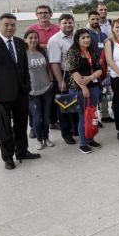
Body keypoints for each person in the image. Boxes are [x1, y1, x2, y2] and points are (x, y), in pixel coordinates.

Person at [0, 14, 40, 169]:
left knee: (21, 124)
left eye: (13, 25)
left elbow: (24, 67)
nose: (10, 28)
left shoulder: (21, 43)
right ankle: (8, 157)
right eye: (6, 24)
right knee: (5, 127)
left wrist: (27, 85)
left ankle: (22, 151)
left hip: (21, 93)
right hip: (1, 95)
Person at [66, 29, 103, 154]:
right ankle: (83, 143)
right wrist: (84, 87)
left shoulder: (92, 52)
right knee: (83, 116)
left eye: (88, 37)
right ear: (77, 40)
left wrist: (90, 78)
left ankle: (91, 139)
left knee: (92, 114)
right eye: (83, 38)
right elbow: (74, 72)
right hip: (79, 90)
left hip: (94, 87)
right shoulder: (72, 52)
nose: (87, 39)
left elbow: (99, 70)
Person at [47, 14, 78, 145]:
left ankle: (76, 129)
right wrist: (60, 81)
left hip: (77, 74)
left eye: (70, 22)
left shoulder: (77, 36)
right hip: (64, 75)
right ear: (59, 25)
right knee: (65, 106)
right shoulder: (55, 40)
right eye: (64, 23)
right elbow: (54, 62)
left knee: (76, 103)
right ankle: (66, 133)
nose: (68, 25)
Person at [24, 30, 55, 150]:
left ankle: (46, 138)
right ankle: (39, 139)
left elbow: (48, 67)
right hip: (33, 92)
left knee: (46, 116)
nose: (33, 40)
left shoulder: (42, 51)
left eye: (35, 38)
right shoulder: (23, 54)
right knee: (37, 118)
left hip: (46, 89)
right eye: (30, 38)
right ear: (25, 40)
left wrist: (51, 80)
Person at [86, 10, 112, 124]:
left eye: (97, 19)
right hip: (91, 69)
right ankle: (94, 118)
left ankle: (105, 115)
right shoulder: (85, 34)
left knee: (104, 92)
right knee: (93, 94)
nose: (95, 21)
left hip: (104, 68)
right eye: (93, 19)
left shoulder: (103, 35)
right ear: (88, 20)